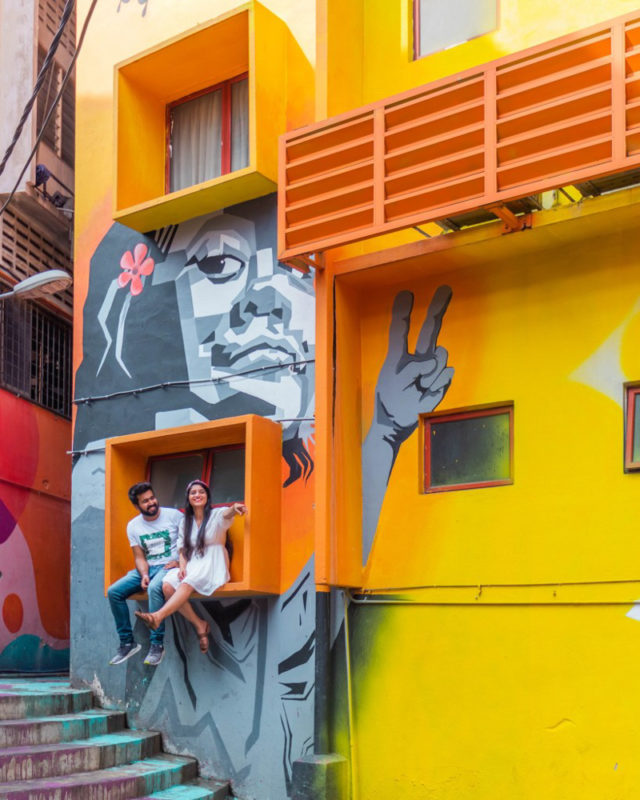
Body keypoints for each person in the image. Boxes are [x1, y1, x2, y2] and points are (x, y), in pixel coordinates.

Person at [135, 479, 246, 650]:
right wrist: (183, 566)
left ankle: (157, 617)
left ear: (207, 496)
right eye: (193, 492)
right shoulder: (185, 522)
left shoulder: (216, 515)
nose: (197, 495)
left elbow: (227, 513)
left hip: (213, 562)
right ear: (188, 498)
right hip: (193, 562)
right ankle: (199, 624)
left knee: (187, 583)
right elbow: (182, 549)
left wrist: (234, 508)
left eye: (201, 492)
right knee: (167, 586)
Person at [107, 482, 182, 666]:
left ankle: (157, 645)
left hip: (169, 567)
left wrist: (180, 562)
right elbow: (139, 557)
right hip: (149, 568)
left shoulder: (174, 516)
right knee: (114, 592)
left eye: (152, 498)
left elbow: (189, 543)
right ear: (137, 505)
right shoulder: (133, 526)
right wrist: (144, 573)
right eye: (145, 501)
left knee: (155, 589)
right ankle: (127, 642)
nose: (151, 503)